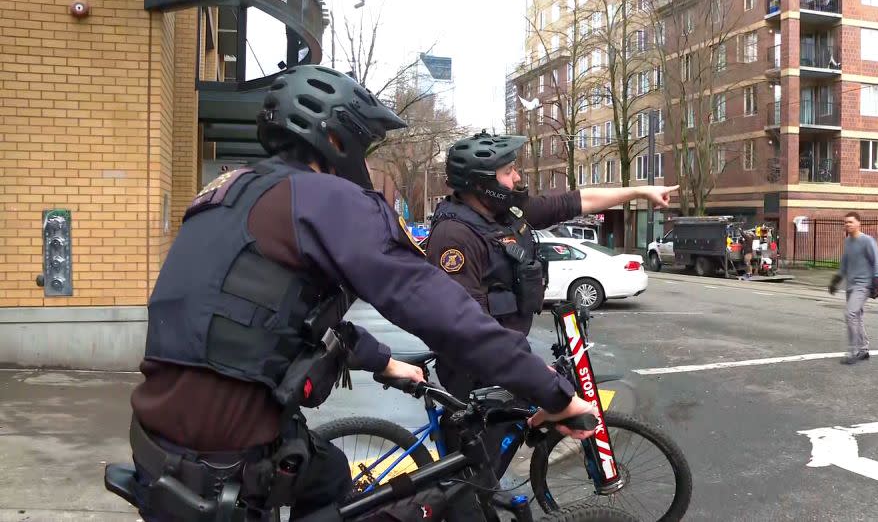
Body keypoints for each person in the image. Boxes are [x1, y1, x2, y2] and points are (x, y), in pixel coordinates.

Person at [127, 65, 596, 522]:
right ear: (336, 140)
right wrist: (553, 394)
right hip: (227, 464)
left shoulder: (228, 193)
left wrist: (385, 362)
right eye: (365, 146)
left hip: (160, 446)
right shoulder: (324, 198)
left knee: (332, 475)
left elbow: (270, 319)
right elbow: (439, 307)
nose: (367, 163)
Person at [425, 130, 675, 474]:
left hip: (503, 358)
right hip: (476, 371)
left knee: (524, 422)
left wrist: (638, 191)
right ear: (483, 182)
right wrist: (530, 370)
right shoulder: (455, 236)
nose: (517, 177)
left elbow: (577, 201)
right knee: (475, 480)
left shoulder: (507, 213)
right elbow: (468, 325)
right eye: (508, 171)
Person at [829, 212, 878, 365]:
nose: (848, 225)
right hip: (851, 285)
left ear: (859, 223)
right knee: (857, 316)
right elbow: (844, 265)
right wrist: (836, 280)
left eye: (851, 222)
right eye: (846, 222)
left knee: (851, 314)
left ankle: (854, 351)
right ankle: (864, 349)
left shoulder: (867, 241)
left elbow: (877, 262)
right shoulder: (847, 242)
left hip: (863, 284)